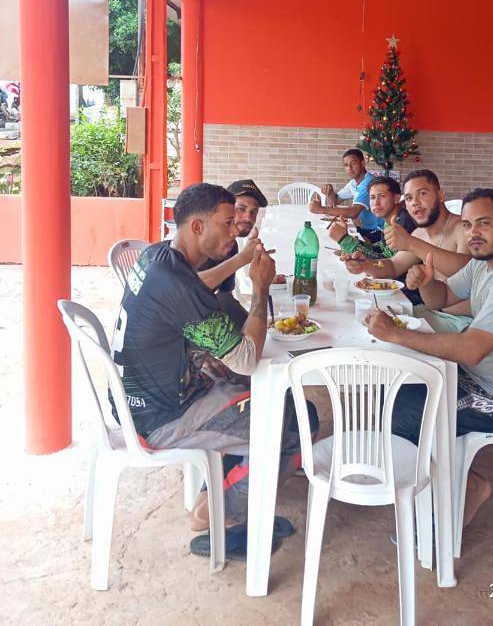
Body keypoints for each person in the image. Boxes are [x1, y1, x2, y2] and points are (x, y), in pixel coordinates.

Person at [111, 183, 306, 559]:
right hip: (159, 418)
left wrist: (240, 264)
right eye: (228, 222)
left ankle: (224, 496)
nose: (236, 229)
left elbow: (195, 291)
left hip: (146, 397)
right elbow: (246, 356)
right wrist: (261, 290)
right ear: (198, 228)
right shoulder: (177, 284)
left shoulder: (159, 256)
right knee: (284, 427)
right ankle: (223, 516)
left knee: (275, 402)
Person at [364, 188, 493, 527]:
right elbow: (442, 297)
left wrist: (396, 334)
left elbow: (471, 349)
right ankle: (433, 484)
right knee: (389, 392)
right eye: (467, 225)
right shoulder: (486, 263)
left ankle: (466, 489)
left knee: (402, 414)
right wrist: (425, 281)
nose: (473, 234)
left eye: (484, 223)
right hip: (477, 377)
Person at [340, 170, 469, 283]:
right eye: (408, 198)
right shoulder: (420, 233)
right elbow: (394, 265)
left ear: (441, 195)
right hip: (432, 306)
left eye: (422, 193)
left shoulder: (463, 228)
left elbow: (467, 273)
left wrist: (411, 243)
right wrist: (366, 266)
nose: (415, 202)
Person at [199, 179, 269, 294]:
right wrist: (242, 258)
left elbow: (225, 296)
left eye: (254, 211)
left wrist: (261, 285)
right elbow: (188, 288)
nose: (248, 217)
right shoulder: (203, 239)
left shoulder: (232, 246)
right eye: (241, 209)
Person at [327, 175, 416, 261]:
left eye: (382, 196)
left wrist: (345, 241)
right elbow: (382, 249)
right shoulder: (389, 221)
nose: (376, 203)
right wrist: (360, 245)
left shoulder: (402, 224)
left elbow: (388, 263)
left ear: (396, 198)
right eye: (372, 197)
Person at [310, 148, 382, 242]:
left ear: (363, 163)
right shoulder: (353, 183)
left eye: (353, 163)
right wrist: (330, 191)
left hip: (377, 234)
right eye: (346, 165)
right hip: (366, 230)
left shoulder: (369, 183)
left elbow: (353, 212)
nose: (349, 168)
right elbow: (335, 201)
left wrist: (320, 209)